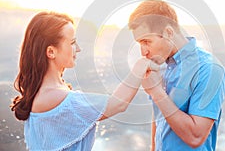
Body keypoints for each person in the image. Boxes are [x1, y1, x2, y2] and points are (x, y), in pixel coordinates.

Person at [10, 11, 157, 151]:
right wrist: (140, 66)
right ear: (51, 52)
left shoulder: (42, 91)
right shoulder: (57, 97)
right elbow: (118, 104)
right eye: (72, 42)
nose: (78, 49)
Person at [128, 0, 225, 151]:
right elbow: (159, 116)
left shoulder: (209, 69)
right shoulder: (160, 65)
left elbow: (196, 137)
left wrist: (156, 92)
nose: (143, 52)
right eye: (139, 43)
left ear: (168, 32)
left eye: (147, 41)